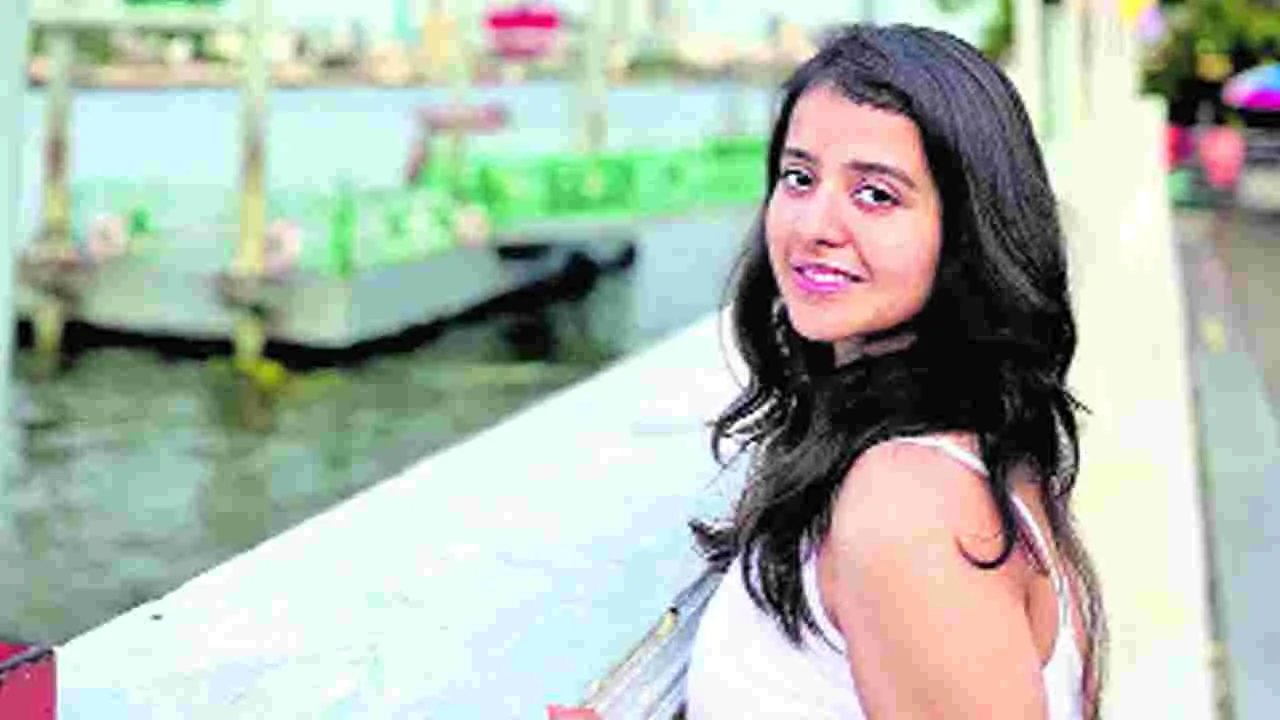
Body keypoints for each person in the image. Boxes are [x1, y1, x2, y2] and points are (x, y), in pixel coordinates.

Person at [685, 24, 1104, 719]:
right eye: (798, 177)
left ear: (966, 230)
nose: (814, 225)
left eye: (876, 194)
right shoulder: (972, 452)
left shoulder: (908, 507)